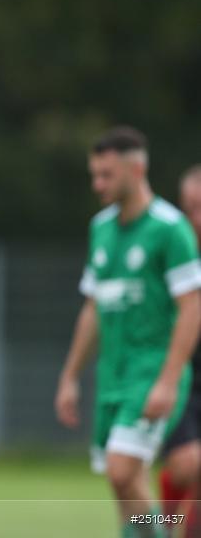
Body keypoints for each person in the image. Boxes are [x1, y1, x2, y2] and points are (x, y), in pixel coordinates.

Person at [55, 127, 201, 538]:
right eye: (94, 175)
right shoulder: (100, 228)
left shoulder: (171, 229)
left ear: (136, 170)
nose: (97, 184)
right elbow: (92, 309)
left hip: (150, 371)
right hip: (112, 376)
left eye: (107, 175)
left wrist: (170, 381)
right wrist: (69, 377)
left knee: (123, 470)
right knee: (123, 486)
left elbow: (192, 307)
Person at [159, 165, 201, 536]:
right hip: (182, 376)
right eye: (191, 207)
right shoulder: (171, 254)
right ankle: (155, 522)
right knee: (188, 465)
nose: (198, 218)